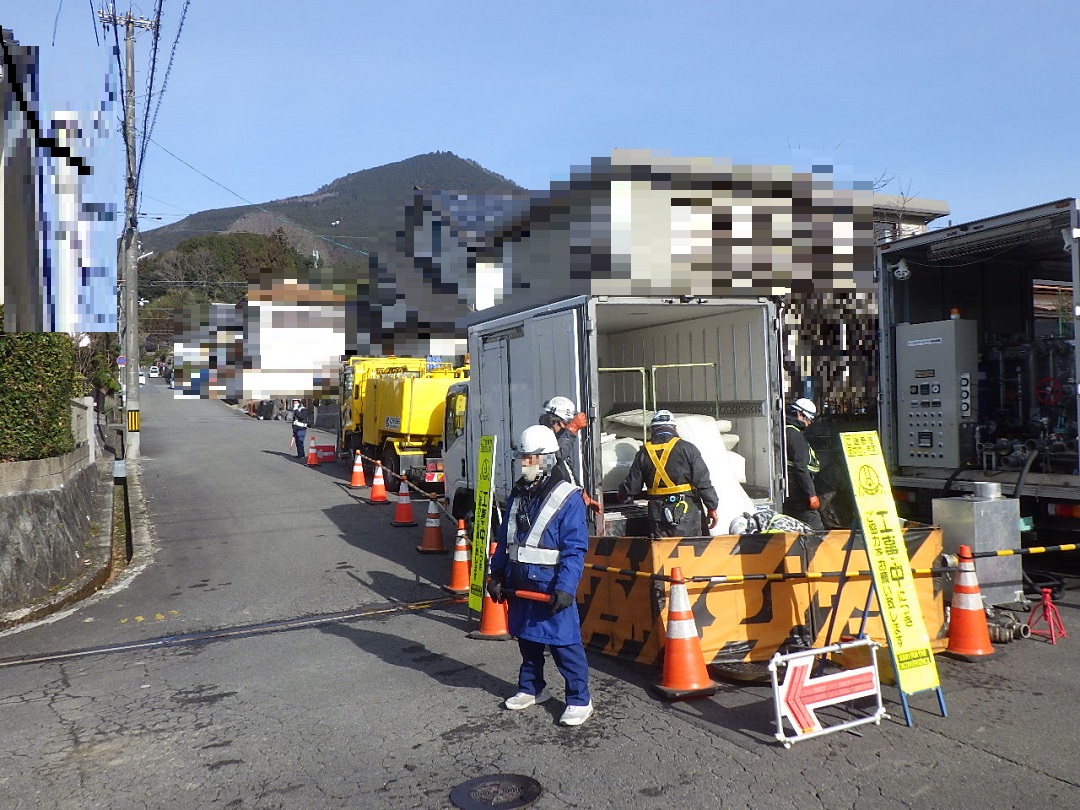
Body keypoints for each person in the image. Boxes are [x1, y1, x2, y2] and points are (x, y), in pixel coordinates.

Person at [488, 424, 593, 727]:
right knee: (527, 640)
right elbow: (505, 537)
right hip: (521, 584)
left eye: (531, 458)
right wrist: (496, 574)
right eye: (523, 458)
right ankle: (532, 688)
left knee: (564, 645)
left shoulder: (568, 497)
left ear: (547, 460)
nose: (525, 464)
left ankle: (579, 699)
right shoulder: (520, 493)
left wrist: (566, 587)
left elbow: (575, 548)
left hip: (550, 587)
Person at [618, 410, 719, 537]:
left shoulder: (644, 452)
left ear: (652, 429)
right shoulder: (688, 449)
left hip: (657, 514)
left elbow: (633, 486)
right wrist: (712, 507)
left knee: (662, 553)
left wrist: (622, 493)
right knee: (688, 552)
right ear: (674, 428)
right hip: (685, 513)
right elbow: (703, 481)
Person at [539, 396, 601, 514]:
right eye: (566, 424)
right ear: (556, 422)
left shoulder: (556, 441)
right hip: (556, 510)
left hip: (567, 506)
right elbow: (556, 457)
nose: (565, 429)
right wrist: (572, 429)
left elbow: (566, 471)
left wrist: (582, 496)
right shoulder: (540, 443)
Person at [783, 397, 823, 530]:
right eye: (808, 418)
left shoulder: (784, 431)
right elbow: (801, 468)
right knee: (815, 527)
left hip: (788, 491)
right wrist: (811, 495)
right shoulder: (795, 435)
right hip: (799, 494)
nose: (809, 423)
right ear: (799, 414)